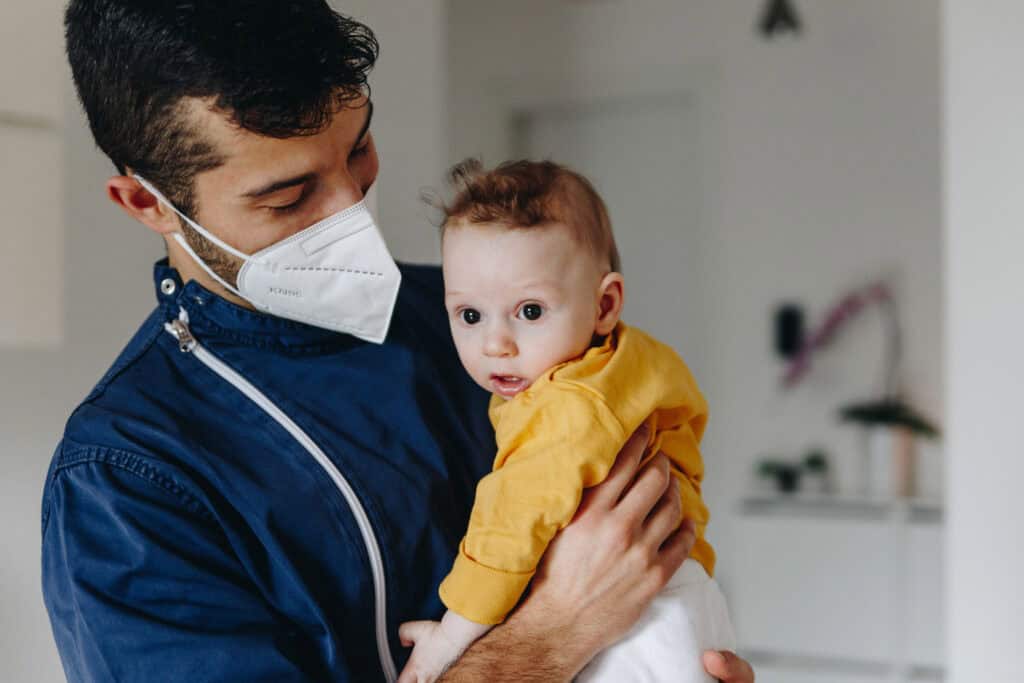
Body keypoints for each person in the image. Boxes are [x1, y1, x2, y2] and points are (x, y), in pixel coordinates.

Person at [42, 2, 756, 682]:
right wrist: (556, 631)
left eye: (359, 151)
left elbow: (646, 524)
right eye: (290, 196)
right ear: (146, 203)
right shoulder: (125, 482)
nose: (352, 207)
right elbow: (584, 600)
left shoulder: (470, 319)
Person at [398, 160, 735, 682]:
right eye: (470, 315)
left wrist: (450, 637)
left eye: (530, 311)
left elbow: (510, 528)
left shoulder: (568, 406)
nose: (496, 344)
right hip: (674, 596)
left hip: (633, 621)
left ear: (604, 304)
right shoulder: (630, 362)